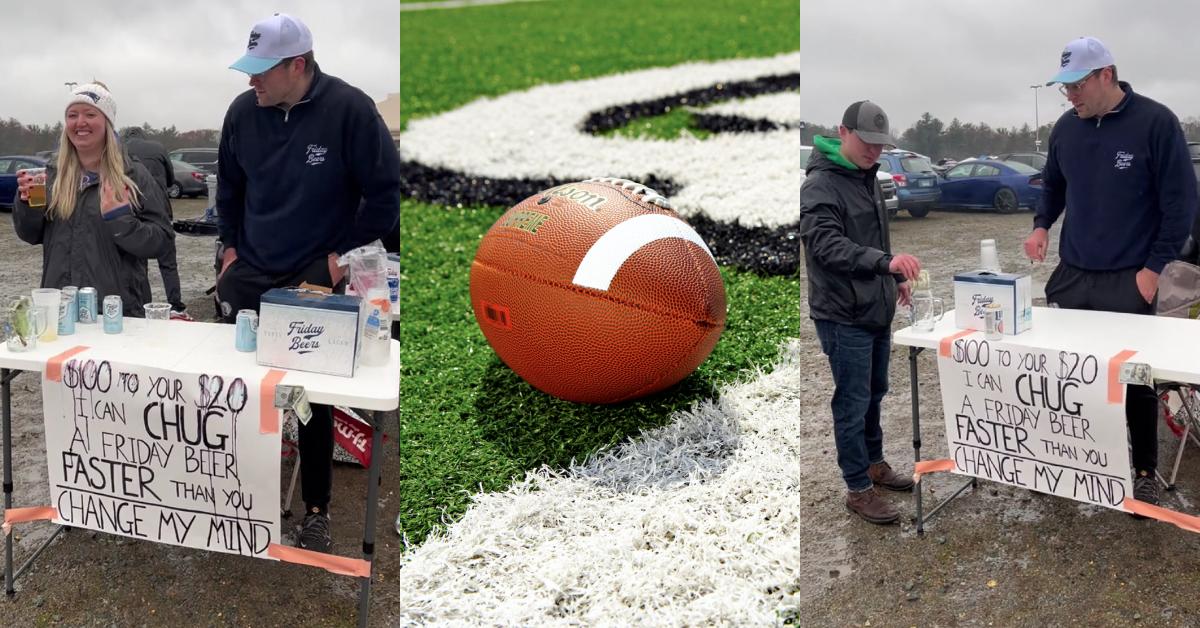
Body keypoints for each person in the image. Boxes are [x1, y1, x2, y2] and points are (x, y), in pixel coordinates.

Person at [216, 13, 401, 552]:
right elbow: (228, 191)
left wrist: (339, 260)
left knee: (309, 395)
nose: (252, 82)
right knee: (235, 378)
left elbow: (385, 196)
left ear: (298, 65)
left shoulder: (350, 109)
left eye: (261, 71)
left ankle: (316, 508)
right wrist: (228, 250)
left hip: (316, 277)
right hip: (250, 268)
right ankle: (236, 487)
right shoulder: (242, 113)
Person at [1024, 36, 1199, 511]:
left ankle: (1143, 470)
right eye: (1064, 88)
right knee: (1068, 373)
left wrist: (1153, 269)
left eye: (1078, 85)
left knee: (1134, 379)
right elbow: (1053, 186)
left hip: (1130, 276)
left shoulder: (1156, 123)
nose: (1070, 96)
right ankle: (1067, 459)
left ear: (1107, 76)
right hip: (1075, 272)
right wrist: (1041, 226)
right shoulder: (1065, 128)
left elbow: (1181, 206)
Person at [800, 101, 921, 525]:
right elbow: (825, 246)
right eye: (867, 143)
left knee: (874, 392)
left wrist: (895, 278)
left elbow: (874, 238)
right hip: (841, 313)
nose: (875, 152)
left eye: (881, 145)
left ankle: (874, 463)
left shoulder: (867, 177)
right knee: (851, 402)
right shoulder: (821, 185)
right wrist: (883, 263)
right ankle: (857, 487)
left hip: (874, 306)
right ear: (843, 132)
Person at [13, 83, 172, 317]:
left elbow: (162, 241)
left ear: (107, 122)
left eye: (90, 114)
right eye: (72, 115)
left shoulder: (133, 175)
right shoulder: (52, 174)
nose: (80, 122)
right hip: (61, 310)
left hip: (117, 312)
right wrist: (27, 205)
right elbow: (30, 235)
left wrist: (121, 220)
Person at [122, 126, 191, 319]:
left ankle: (144, 304)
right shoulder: (158, 147)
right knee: (168, 263)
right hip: (159, 208)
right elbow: (170, 180)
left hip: (131, 209)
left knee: (138, 263)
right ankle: (175, 305)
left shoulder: (119, 150)